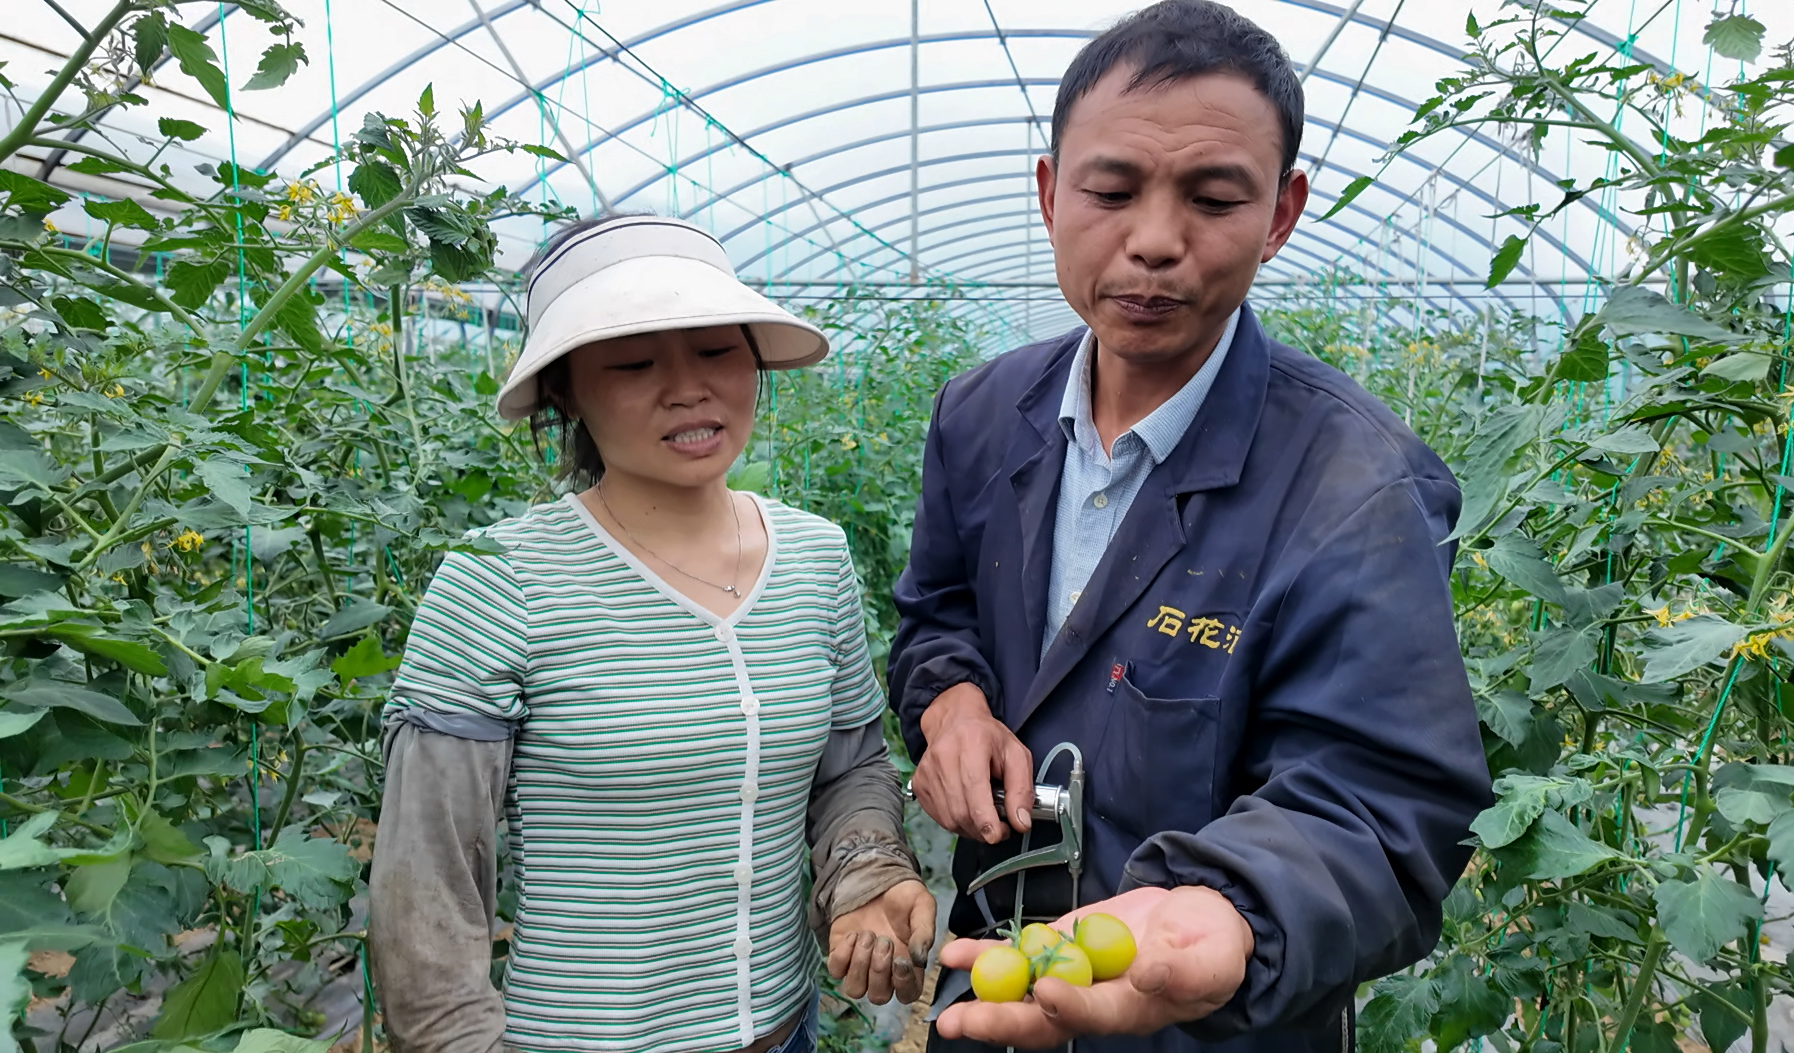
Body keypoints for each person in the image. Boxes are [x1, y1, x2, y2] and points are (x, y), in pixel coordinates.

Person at [886, 4, 1491, 1051]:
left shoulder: (1354, 487)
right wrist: (952, 704)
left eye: (1214, 199)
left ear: (1281, 214)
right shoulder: (981, 417)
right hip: (995, 982)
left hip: (1213, 1021)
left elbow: (1384, 799)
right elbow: (938, 614)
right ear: (1050, 193)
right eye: (1111, 191)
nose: (1156, 241)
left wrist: (1232, 912)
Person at [368, 213, 936, 1053]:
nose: (687, 388)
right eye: (634, 363)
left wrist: (865, 866)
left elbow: (849, 766)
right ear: (565, 391)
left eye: (715, 350)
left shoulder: (816, 556)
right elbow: (429, 883)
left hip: (785, 1029)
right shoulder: (500, 581)